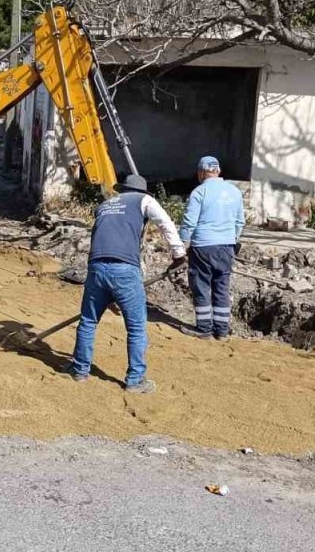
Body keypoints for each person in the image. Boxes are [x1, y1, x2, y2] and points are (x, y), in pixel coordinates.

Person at [69, 174, 187, 394]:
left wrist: (108, 292)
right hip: (124, 269)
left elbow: (100, 234)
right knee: (135, 327)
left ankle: (79, 370)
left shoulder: (104, 205)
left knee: (88, 321)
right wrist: (179, 254)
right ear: (142, 191)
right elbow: (165, 222)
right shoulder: (144, 201)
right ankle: (135, 380)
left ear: (122, 189)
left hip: (96, 267)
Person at [180, 156, 246, 339]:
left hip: (203, 247)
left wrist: (182, 244)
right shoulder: (234, 192)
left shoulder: (199, 192)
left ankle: (204, 329)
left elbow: (189, 222)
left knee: (201, 286)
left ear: (201, 172)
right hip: (226, 247)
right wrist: (231, 239)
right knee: (222, 287)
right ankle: (222, 331)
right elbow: (240, 221)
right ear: (218, 171)